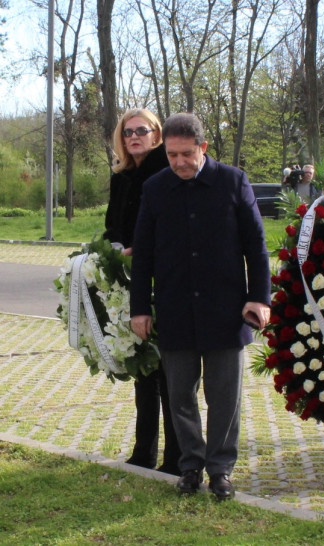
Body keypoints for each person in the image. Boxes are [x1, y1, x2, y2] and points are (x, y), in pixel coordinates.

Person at [130, 113, 271, 500]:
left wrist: (259, 297)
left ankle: (221, 468)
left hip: (226, 310)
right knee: (180, 396)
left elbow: (256, 246)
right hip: (175, 309)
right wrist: (139, 308)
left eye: (186, 154)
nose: (179, 163)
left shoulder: (233, 181)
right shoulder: (156, 188)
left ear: (203, 148)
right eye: (172, 155)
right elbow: (142, 254)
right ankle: (190, 465)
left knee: (224, 396)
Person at [103, 107, 181, 476]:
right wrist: (108, 252)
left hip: (163, 280)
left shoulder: (167, 173)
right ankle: (143, 453)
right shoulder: (121, 178)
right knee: (143, 370)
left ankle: (177, 457)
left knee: (170, 374)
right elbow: (112, 227)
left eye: (143, 130)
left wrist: (141, 251)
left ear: (156, 134)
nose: (135, 137)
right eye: (128, 131)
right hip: (128, 282)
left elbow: (171, 230)